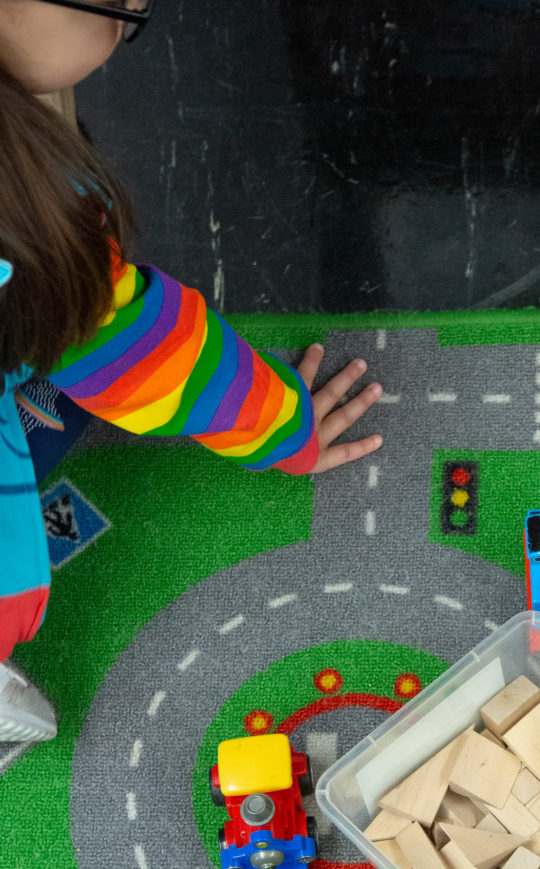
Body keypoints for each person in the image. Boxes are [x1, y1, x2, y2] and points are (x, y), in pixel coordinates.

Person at [0, 0, 382, 746]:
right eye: (121, 6)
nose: (132, 13)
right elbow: (155, 362)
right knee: (72, 361)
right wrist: (285, 426)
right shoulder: (33, 233)